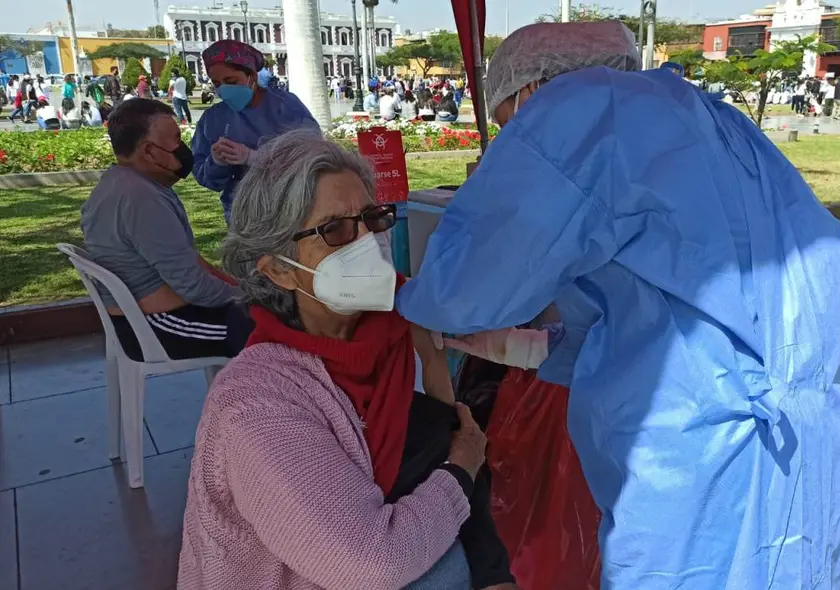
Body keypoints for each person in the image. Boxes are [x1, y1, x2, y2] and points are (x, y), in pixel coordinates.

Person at [396, 20, 840, 589]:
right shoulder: (705, 114)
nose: (514, 144)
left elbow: (468, 286)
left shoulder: (578, 113)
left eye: (510, 127)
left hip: (702, 441)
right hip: (807, 432)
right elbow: (658, 293)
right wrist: (545, 351)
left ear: (531, 90)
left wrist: (404, 296)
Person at [177, 130, 517, 590]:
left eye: (371, 220)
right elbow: (367, 564)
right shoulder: (255, 405)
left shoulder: (405, 327)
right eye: (335, 230)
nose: (364, 243)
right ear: (277, 267)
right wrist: (461, 470)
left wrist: (494, 574)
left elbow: (454, 434)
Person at [80, 99, 251, 362]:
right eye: (175, 140)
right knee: (272, 333)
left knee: (271, 317)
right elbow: (194, 287)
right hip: (157, 326)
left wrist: (238, 287)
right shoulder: (141, 199)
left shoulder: (119, 183)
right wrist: (247, 297)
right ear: (149, 151)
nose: (182, 149)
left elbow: (189, 261)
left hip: (153, 317)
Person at [191, 39, 320, 222]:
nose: (223, 89)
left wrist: (254, 157)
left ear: (251, 75)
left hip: (289, 208)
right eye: (217, 83)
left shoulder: (285, 107)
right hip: (241, 214)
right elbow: (206, 177)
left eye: (230, 81)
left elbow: (312, 154)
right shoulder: (213, 119)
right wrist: (218, 162)